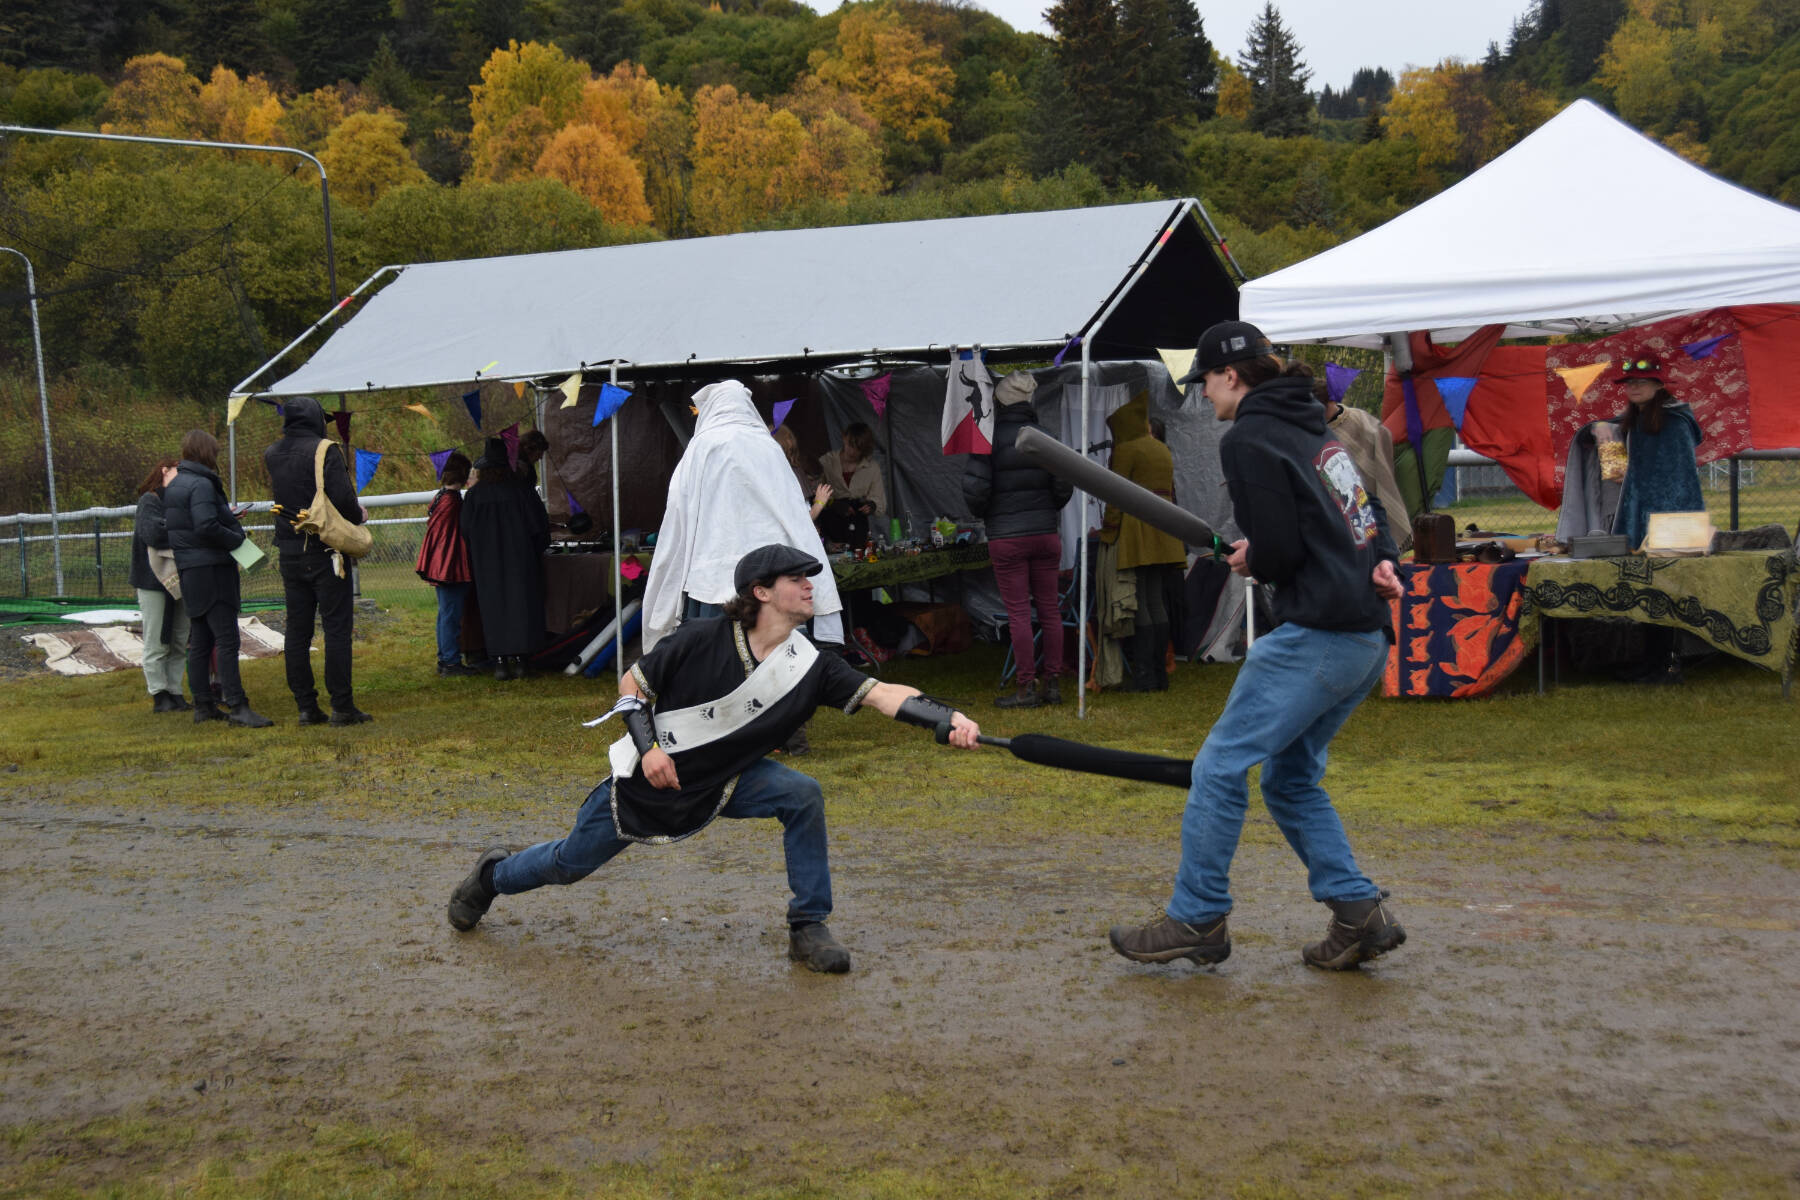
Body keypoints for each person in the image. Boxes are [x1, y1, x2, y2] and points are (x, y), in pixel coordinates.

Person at [446, 544, 983, 973]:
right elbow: (631, 687)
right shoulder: (701, 638)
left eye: (808, 578)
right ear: (762, 592)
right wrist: (649, 749)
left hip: (729, 781)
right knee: (567, 865)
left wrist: (945, 717)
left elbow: (882, 693)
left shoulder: (813, 664)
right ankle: (492, 876)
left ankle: (808, 925)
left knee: (802, 795)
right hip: (652, 783)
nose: (809, 586)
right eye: (797, 579)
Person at [1110, 321, 1405, 972]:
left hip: (1318, 634)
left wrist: (1256, 558)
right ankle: (1359, 912)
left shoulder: (1248, 436)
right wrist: (1382, 560)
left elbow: (1281, 546)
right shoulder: (1313, 425)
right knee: (1292, 780)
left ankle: (1197, 916)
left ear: (1233, 377)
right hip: (1362, 639)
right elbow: (1368, 514)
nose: (1203, 396)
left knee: (1219, 766)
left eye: (1207, 383)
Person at [642, 381, 843, 651]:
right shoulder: (767, 446)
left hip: (712, 568)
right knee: (778, 656)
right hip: (769, 570)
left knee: (714, 656)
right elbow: (792, 507)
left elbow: (679, 506)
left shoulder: (701, 447)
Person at [963, 370, 1072, 708]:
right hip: (1044, 532)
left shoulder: (988, 438)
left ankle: (1025, 687)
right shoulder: (1046, 437)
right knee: (1051, 610)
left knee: (1019, 613)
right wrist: (1046, 509)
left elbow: (976, 490)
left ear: (1000, 401)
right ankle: (1052, 684)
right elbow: (1064, 484)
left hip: (1007, 537)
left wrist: (988, 513)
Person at [1595, 355, 1705, 683]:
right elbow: (1626, 469)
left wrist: (1658, 519)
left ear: (1659, 385)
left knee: (1666, 589)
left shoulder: (1674, 422)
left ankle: (1668, 664)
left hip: (1671, 519)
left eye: (1642, 382)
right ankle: (1650, 659)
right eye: (1629, 383)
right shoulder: (1639, 417)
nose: (1634, 388)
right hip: (1641, 515)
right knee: (1647, 590)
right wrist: (1602, 429)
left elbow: (1678, 477)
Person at [265, 396, 371, 726]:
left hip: (289, 550)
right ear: (314, 420)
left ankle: (306, 707)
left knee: (297, 631)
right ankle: (342, 706)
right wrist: (358, 515)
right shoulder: (325, 450)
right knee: (337, 629)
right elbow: (341, 498)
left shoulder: (272, 454)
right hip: (325, 551)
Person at [163, 428, 273, 728]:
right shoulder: (201, 484)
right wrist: (236, 539)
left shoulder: (174, 485)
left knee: (199, 640)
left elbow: (190, 524)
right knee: (226, 639)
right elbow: (205, 525)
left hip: (190, 570)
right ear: (207, 453)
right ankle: (237, 705)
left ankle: (203, 705)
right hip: (212, 569)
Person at [1098, 392, 1186, 692]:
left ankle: (1145, 676)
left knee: (1144, 601)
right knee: (1157, 599)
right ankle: (1159, 673)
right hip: (1165, 525)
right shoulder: (1162, 449)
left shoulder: (1127, 450)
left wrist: (1108, 531)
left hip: (1138, 529)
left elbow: (1116, 494)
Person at [461, 437, 549, 680]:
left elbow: (466, 530)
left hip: (486, 563)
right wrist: (535, 550)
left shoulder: (474, 496)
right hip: (521, 560)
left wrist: (480, 551)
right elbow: (539, 528)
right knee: (523, 607)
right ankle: (522, 661)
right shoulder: (522, 491)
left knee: (493, 609)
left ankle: (500, 661)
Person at [1314, 376, 1412, 556]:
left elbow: (1381, 445)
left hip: (1368, 506)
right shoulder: (1314, 430)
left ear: (1330, 401)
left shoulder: (1361, 422)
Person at [130, 456, 190, 713]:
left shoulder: (181, 501)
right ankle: (159, 693)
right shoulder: (150, 501)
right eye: (178, 472)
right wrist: (184, 530)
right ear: (164, 471)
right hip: (152, 581)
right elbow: (153, 534)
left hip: (181, 578)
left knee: (179, 638)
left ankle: (175, 690)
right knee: (156, 639)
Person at [416, 450, 477, 677]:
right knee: (451, 614)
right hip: (451, 566)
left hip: (441, 564)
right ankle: (450, 661)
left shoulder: (440, 497)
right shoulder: (453, 502)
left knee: (445, 613)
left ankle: (446, 658)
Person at [816, 421, 886, 547]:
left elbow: (879, 500)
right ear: (844, 438)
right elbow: (814, 494)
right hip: (832, 521)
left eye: (858, 448)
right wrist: (833, 504)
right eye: (850, 445)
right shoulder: (827, 461)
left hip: (858, 523)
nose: (852, 451)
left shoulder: (871, 467)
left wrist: (871, 505)